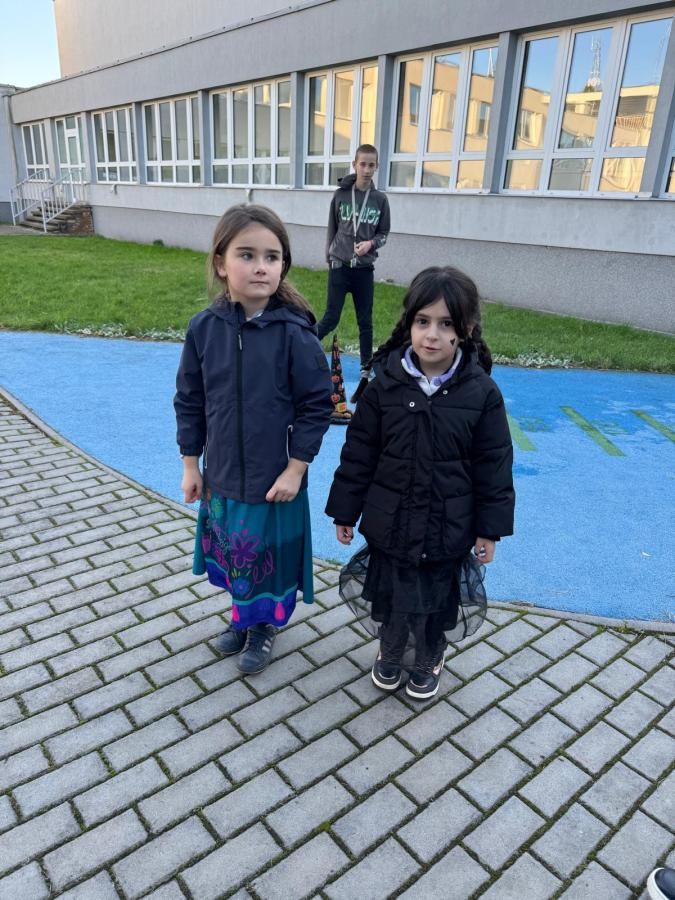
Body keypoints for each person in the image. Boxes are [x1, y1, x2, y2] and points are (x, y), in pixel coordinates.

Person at [325, 266, 515, 700]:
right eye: (423, 321)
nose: (432, 335)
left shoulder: (482, 394)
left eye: (446, 324)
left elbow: (494, 466)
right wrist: (344, 510)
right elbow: (359, 453)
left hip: (447, 525)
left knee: (435, 598)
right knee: (392, 592)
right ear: (409, 322)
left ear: (465, 329)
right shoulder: (383, 386)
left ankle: (429, 653)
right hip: (391, 521)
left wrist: (490, 529)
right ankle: (391, 647)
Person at [175, 204, 333, 674]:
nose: (261, 266)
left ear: (283, 265)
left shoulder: (294, 333)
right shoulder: (204, 329)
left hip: (274, 480)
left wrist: (295, 469)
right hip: (223, 475)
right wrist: (191, 465)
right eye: (247, 255)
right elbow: (189, 400)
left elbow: (317, 405)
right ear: (221, 263)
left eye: (272, 256)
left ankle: (263, 626)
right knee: (235, 553)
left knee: (266, 560)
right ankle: (242, 618)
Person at [316, 144, 391, 403]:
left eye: (371, 165)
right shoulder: (340, 195)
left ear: (376, 167)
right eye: (363, 164)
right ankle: (302, 348)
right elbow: (332, 228)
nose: (367, 169)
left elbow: (384, 233)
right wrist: (330, 258)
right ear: (355, 164)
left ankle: (365, 374)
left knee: (365, 322)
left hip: (364, 269)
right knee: (330, 318)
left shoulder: (380, 200)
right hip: (340, 265)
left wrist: (371, 244)